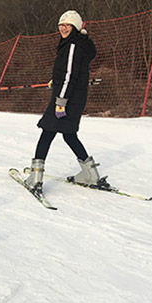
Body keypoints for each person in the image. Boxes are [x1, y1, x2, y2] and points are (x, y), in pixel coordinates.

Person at [23, 10, 101, 193]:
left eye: (68, 25)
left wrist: (61, 100)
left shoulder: (72, 45)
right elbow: (71, 73)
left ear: (75, 27)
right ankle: (91, 174)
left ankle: (35, 178)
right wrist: (56, 82)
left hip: (66, 99)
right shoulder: (78, 44)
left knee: (47, 132)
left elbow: (69, 75)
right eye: (61, 24)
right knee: (69, 134)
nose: (63, 28)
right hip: (75, 97)